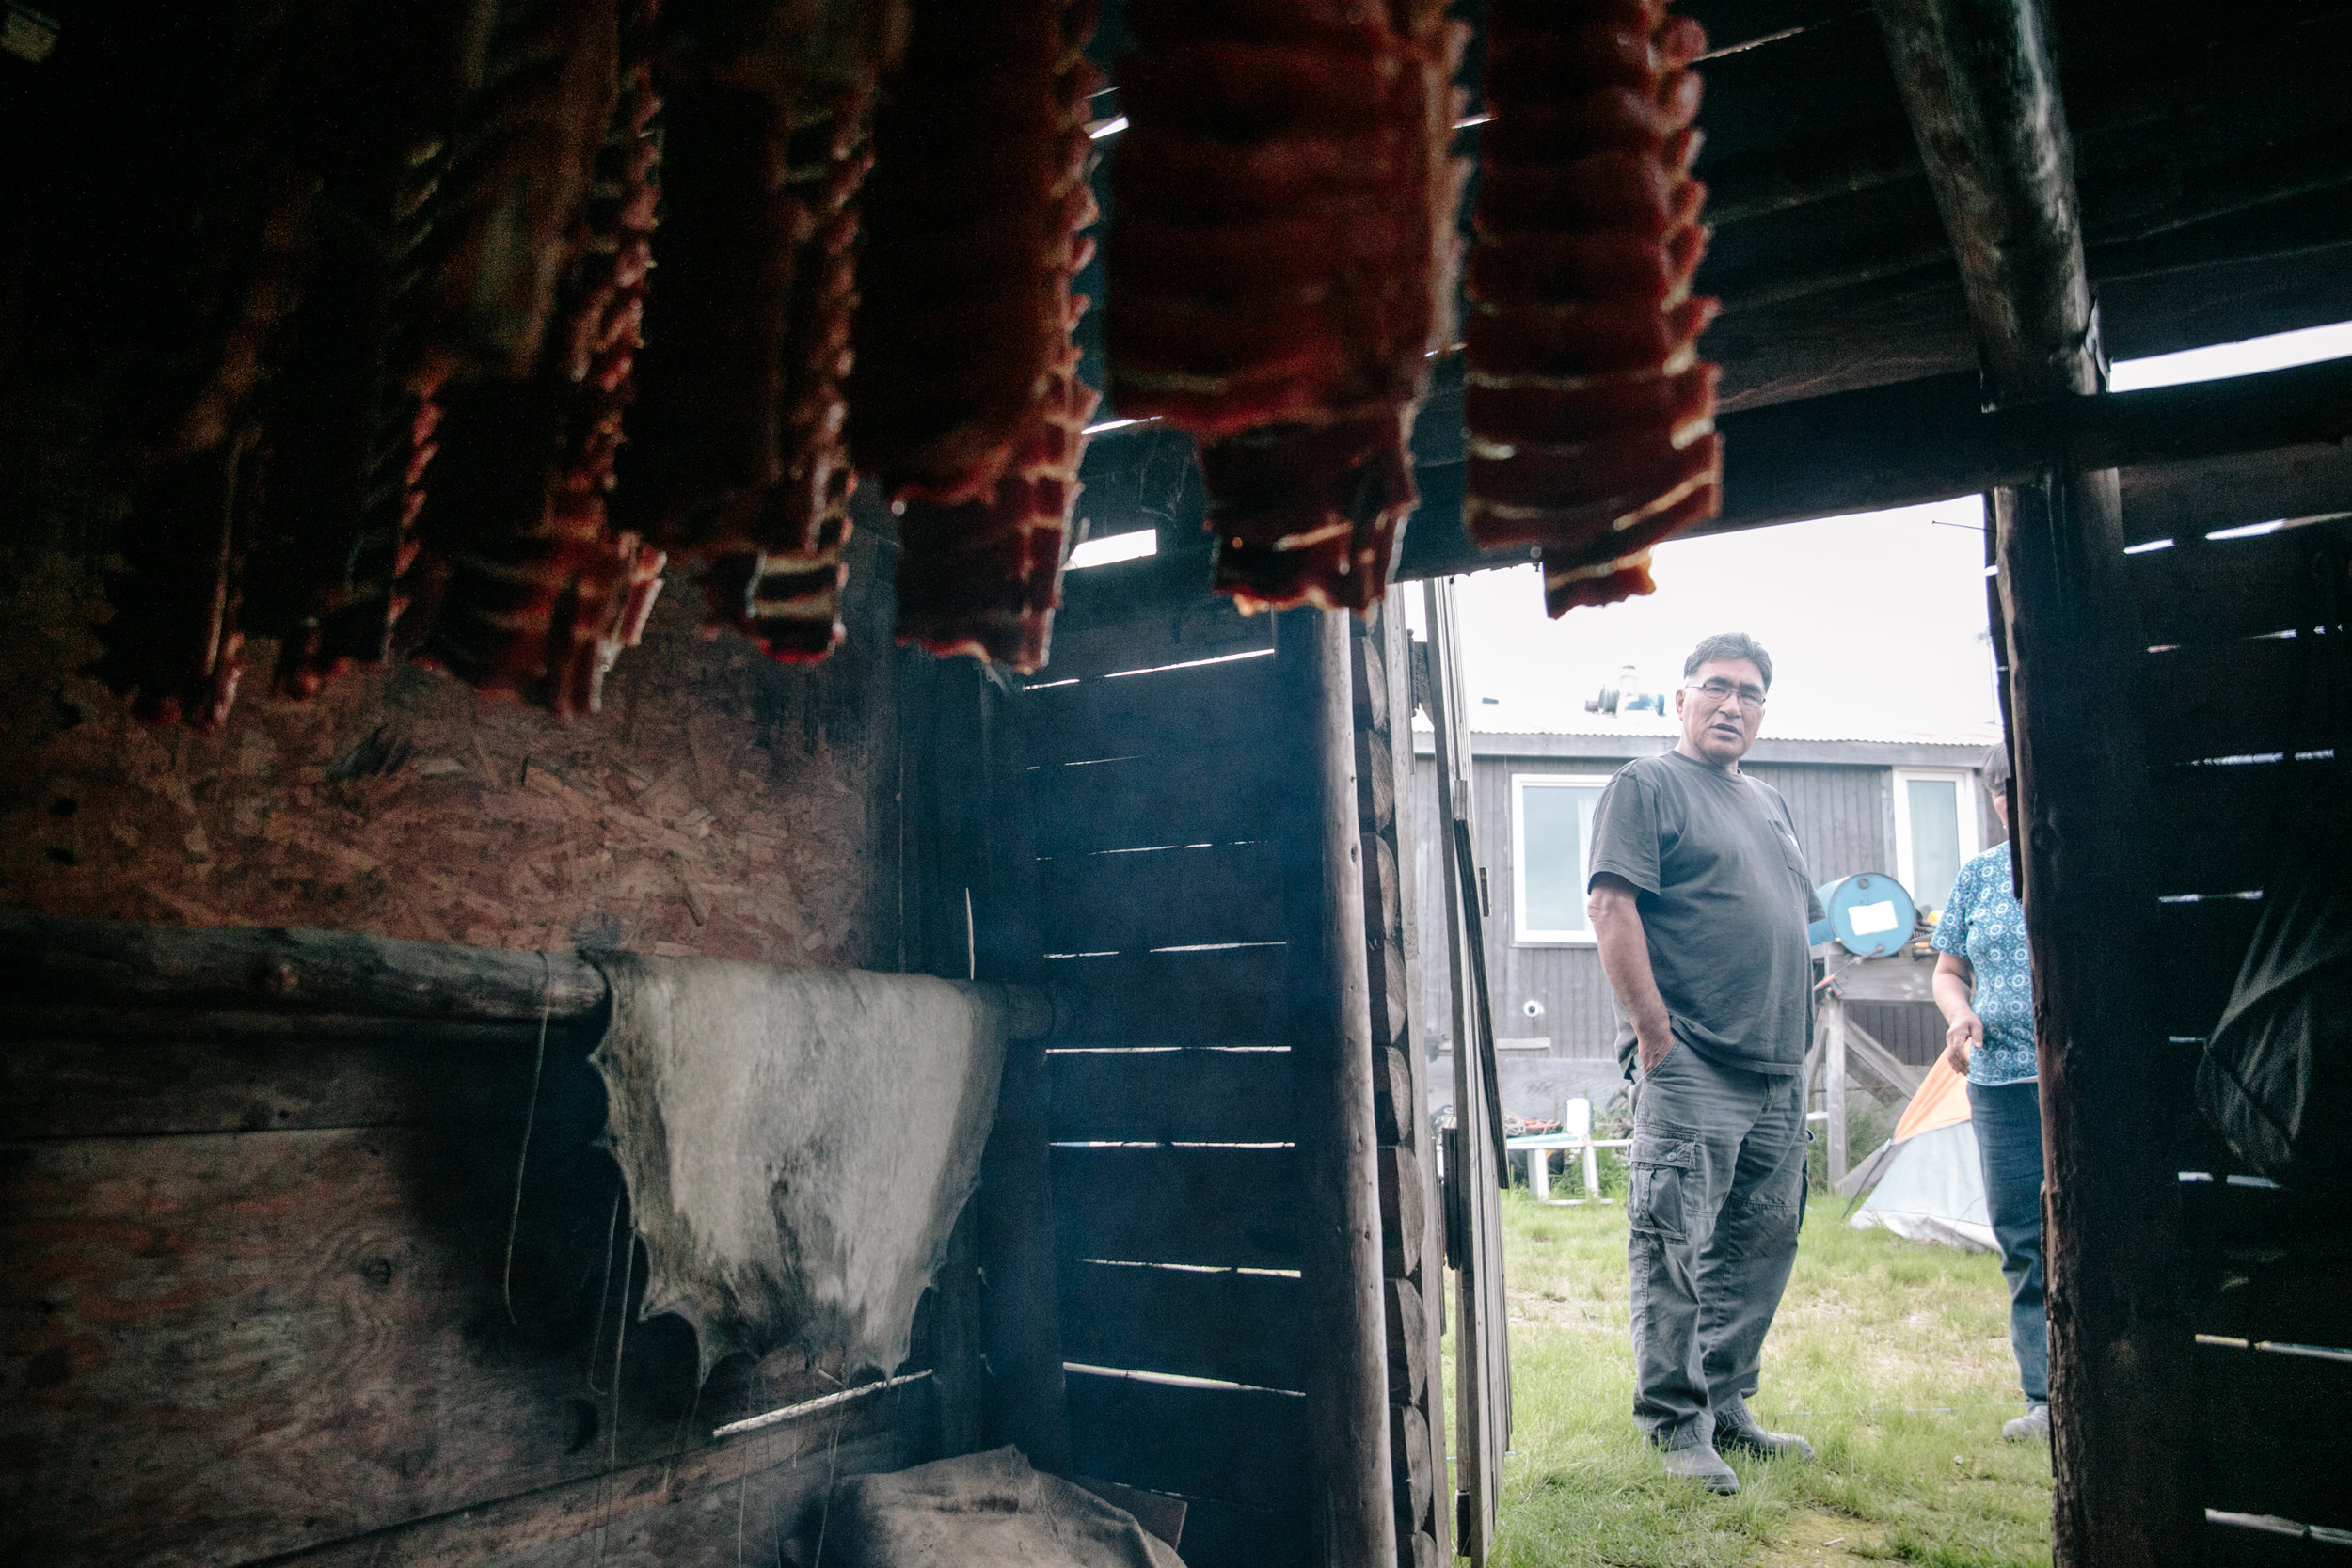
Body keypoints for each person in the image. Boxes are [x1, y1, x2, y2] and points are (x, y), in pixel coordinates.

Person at [1586, 632, 1824, 1495]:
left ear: (1764, 713)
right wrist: (1654, 1034)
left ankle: (1726, 1406)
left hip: (1776, 1070)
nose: (1732, 704)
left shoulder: (1769, 802)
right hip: (1693, 1063)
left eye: (1750, 693)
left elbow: (1793, 917)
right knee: (1674, 1246)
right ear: (1678, 700)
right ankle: (1675, 1424)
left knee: (1760, 1246)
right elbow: (1612, 906)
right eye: (1716, 687)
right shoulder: (1645, 786)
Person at [1930, 741, 2049, 1442]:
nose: (2014, 797)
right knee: (2025, 1238)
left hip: (2081, 1080)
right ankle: (2045, 1398)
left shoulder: (2080, 860)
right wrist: (1959, 1013)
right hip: (2001, 1083)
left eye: (2024, 782)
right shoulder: (1978, 875)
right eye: (2003, 788)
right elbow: (1948, 971)